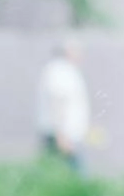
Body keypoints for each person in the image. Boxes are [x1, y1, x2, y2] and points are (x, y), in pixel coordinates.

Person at [35, 39, 91, 173]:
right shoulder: (60, 71)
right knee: (77, 173)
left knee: (50, 170)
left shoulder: (65, 70)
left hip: (64, 134)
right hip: (62, 135)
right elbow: (57, 102)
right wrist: (61, 134)